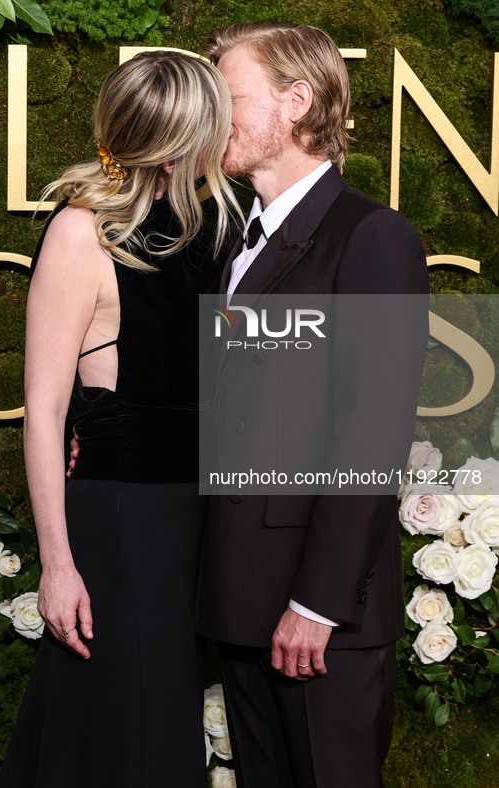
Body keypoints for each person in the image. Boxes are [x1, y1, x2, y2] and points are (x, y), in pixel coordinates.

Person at [0, 50, 241, 788]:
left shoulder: (219, 224)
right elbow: (42, 412)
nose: (228, 136)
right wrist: (58, 565)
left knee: (147, 721)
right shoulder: (82, 233)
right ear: (181, 136)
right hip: (124, 520)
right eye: (217, 119)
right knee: (134, 726)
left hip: (197, 520)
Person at [195, 21, 430, 788]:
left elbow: (372, 429)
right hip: (237, 596)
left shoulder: (371, 236)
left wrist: (319, 601)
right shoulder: (235, 242)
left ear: (296, 101)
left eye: (228, 100)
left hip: (317, 614)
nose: (210, 121)